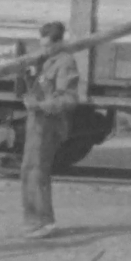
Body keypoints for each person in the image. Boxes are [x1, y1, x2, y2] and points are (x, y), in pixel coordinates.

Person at [21, 21, 80, 239]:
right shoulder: (45, 62)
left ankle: (44, 223)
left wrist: (41, 105)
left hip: (50, 124)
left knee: (37, 171)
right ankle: (32, 220)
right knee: (29, 170)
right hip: (36, 123)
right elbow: (40, 88)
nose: (44, 50)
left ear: (60, 42)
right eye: (42, 45)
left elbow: (69, 98)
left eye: (48, 46)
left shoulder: (65, 63)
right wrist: (28, 78)